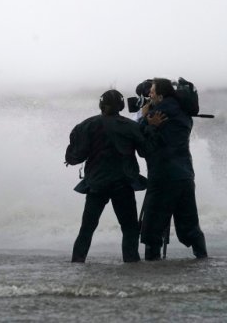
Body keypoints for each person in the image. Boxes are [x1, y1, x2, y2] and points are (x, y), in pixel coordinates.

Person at [65, 89, 162, 263]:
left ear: (101, 105)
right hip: (123, 184)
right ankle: (131, 264)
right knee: (130, 229)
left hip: (96, 184)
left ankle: (77, 263)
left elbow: (74, 158)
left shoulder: (85, 125)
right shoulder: (131, 127)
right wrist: (152, 127)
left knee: (87, 228)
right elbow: (145, 151)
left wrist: (70, 150)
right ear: (121, 106)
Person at [139, 78, 207, 260]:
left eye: (152, 91)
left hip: (163, 176)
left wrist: (144, 117)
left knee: (152, 228)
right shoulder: (183, 111)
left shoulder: (158, 113)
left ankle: (152, 266)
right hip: (184, 175)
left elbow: (141, 140)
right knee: (190, 225)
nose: (149, 95)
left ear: (160, 95)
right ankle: (203, 260)